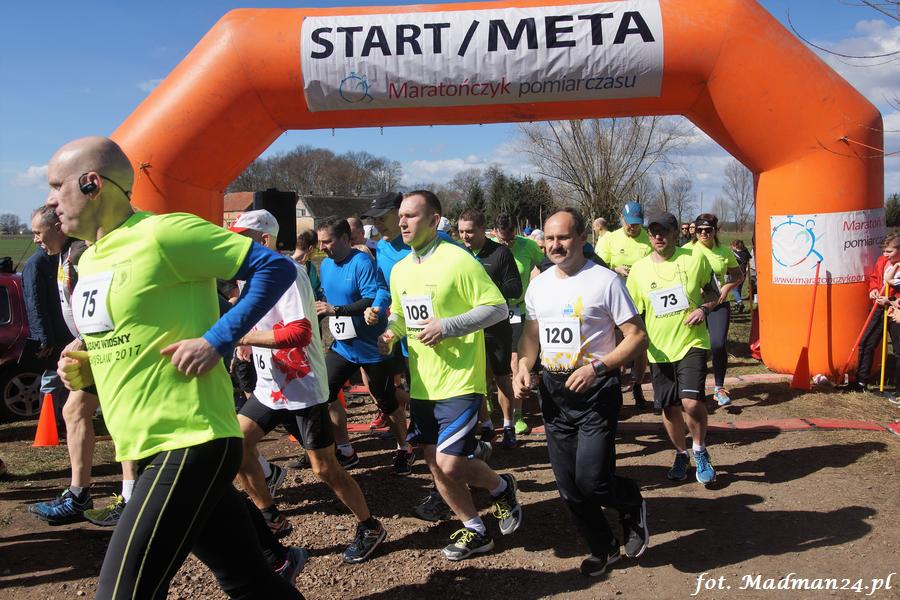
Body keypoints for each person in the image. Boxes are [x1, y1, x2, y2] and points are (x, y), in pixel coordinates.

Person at [49, 136, 303, 599]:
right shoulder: (91, 258)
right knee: (249, 581)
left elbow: (274, 269)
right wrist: (89, 369)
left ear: (91, 184)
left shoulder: (164, 233)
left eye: (55, 186)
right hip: (144, 444)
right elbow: (127, 340)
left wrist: (218, 339)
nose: (50, 202)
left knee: (121, 594)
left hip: (191, 439)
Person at [230, 210, 388, 564]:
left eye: (241, 239)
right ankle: (271, 517)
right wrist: (246, 338)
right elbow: (256, 317)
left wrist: (244, 337)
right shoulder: (247, 276)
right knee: (236, 446)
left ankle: (370, 527)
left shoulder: (288, 274)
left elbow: (299, 332)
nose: (233, 246)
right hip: (270, 385)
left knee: (324, 468)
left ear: (264, 240)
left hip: (302, 386)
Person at [377, 190, 523, 560]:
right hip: (423, 383)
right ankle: (475, 529)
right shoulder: (400, 269)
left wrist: (448, 326)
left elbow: (497, 308)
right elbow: (400, 315)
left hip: (460, 379)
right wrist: (390, 335)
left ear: (434, 220)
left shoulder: (458, 260)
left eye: (412, 216)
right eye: (401, 216)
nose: (403, 222)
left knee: (450, 461)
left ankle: (501, 487)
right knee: (433, 463)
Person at [514, 208, 649, 577]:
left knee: (593, 481)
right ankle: (603, 548)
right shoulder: (539, 285)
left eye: (563, 237)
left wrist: (597, 368)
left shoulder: (605, 282)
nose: (555, 245)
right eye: (549, 238)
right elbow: (530, 336)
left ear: (582, 239)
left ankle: (630, 502)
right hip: (554, 392)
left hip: (595, 388)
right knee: (569, 486)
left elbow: (637, 336)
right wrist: (523, 367)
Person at [27, 205, 138, 527]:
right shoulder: (63, 256)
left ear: (57, 227)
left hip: (110, 347)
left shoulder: (80, 254)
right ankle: (79, 495)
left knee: (118, 418)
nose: (35, 240)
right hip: (94, 348)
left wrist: (84, 339)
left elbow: (108, 301)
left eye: (38, 233)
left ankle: (129, 500)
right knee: (75, 412)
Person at [315, 217, 415, 474]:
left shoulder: (361, 262)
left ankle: (405, 447)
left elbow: (371, 297)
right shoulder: (325, 265)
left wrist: (336, 310)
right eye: (320, 242)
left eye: (327, 241)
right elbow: (327, 298)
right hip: (344, 347)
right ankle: (346, 450)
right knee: (324, 392)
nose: (322, 247)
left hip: (373, 348)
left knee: (386, 401)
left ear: (345, 239)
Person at [626, 212, 718, 486]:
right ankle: (681, 454)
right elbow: (631, 313)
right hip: (659, 350)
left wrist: (703, 309)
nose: (658, 236)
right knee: (668, 407)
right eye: (653, 232)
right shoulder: (639, 270)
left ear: (676, 233)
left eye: (664, 231)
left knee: (691, 402)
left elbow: (713, 293)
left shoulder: (694, 259)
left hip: (692, 342)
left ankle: (699, 450)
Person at [457, 208, 522, 449]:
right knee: (476, 381)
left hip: (496, 326)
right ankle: (486, 426)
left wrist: (485, 291)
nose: (465, 236)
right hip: (468, 327)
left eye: (470, 231)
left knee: (502, 378)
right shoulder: (457, 253)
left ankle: (509, 426)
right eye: (461, 231)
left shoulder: (500, 253)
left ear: (483, 230)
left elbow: (515, 288)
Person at [597, 201, 653, 408]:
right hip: (614, 301)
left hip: (642, 300)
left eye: (636, 223)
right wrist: (615, 268)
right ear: (621, 219)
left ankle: (637, 385)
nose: (632, 227)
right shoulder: (610, 239)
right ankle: (616, 392)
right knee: (616, 346)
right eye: (629, 222)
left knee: (641, 346)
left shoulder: (648, 239)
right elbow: (597, 265)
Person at [494, 212, 545, 435]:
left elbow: (546, 265)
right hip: (492, 310)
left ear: (516, 230)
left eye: (510, 238)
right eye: (502, 239)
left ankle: (517, 414)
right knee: (491, 363)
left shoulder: (527, 246)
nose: (507, 243)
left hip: (519, 310)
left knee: (515, 362)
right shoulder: (488, 246)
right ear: (496, 232)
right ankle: (489, 400)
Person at [688, 214, 743, 406]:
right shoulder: (687, 250)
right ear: (695, 231)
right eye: (700, 230)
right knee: (696, 347)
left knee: (718, 344)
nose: (704, 233)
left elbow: (738, 275)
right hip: (695, 305)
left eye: (708, 230)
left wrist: (727, 288)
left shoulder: (724, 251)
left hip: (719, 303)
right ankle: (695, 388)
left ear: (715, 231)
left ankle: (719, 387)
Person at [853, 233, 900, 396]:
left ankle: (898, 389)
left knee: (898, 350)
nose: (885, 254)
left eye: (889, 251)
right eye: (884, 251)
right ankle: (860, 381)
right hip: (878, 309)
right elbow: (875, 278)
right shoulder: (882, 261)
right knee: (866, 342)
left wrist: (891, 300)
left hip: (896, 311)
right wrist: (873, 289)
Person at [292, 229, 323, 300]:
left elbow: (318, 292)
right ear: (311, 248)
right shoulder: (287, 266)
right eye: (317, 249)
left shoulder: (311, 268)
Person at [730, 239, 752, 313]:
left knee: (734, 289)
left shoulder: (734, 254)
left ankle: (739, 302)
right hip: (743, 273)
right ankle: (737, 305)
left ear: (735, 246)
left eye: (732, 246)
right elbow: (749, 258)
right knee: (738, 288)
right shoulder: (745, 252)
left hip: (735, 273)